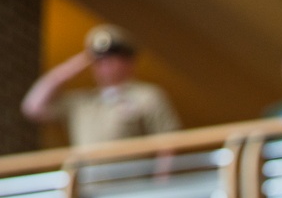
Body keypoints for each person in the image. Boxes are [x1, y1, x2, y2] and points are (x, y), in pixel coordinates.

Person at [21, 24, 180, 149]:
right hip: (87, 186)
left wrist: (160, 184)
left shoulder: (147, 96)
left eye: (111, 58)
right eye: (98, 59)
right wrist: (72, 67)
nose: (104, 65)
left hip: (131, 186)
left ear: (128, 62)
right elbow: (32, 107)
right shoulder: (82, 102)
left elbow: (168, 142)